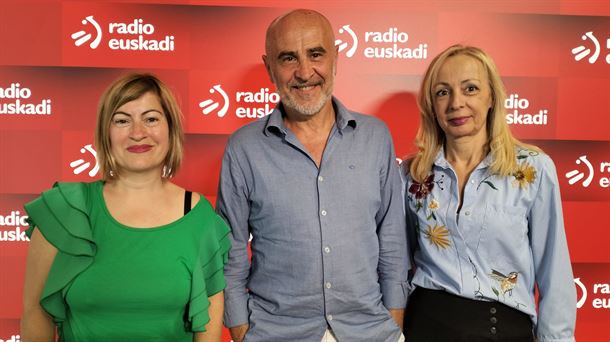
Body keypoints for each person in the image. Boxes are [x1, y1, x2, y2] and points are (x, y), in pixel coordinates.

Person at [217, 9, 409, 342]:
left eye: (316, 54)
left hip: (371, 332)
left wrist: (393, 321)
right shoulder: (244, 148)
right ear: (269, 68)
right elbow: (231, 249)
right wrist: (240, 329)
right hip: (275, 333)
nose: (305, 72)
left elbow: (391, 238)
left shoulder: (375, 136)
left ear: (335, 57)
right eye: (288, 58)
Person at [21, 73, 230, 341]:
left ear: (171, 129)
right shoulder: (65, 208)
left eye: (151, 119)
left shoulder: (200, 218)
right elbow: (35, 314)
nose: (138, 133)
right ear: (105, 133)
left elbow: (209, 325)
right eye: (122, 120)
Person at [401, 44, 576, 341]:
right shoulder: (411, 175)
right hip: (425, 327)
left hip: (505, 328)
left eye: (470, 89)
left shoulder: (533, 169)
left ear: (492, 96)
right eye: (443, 92)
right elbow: (397, 267)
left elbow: (555, 275)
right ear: (431, 104)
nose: (456, 103)